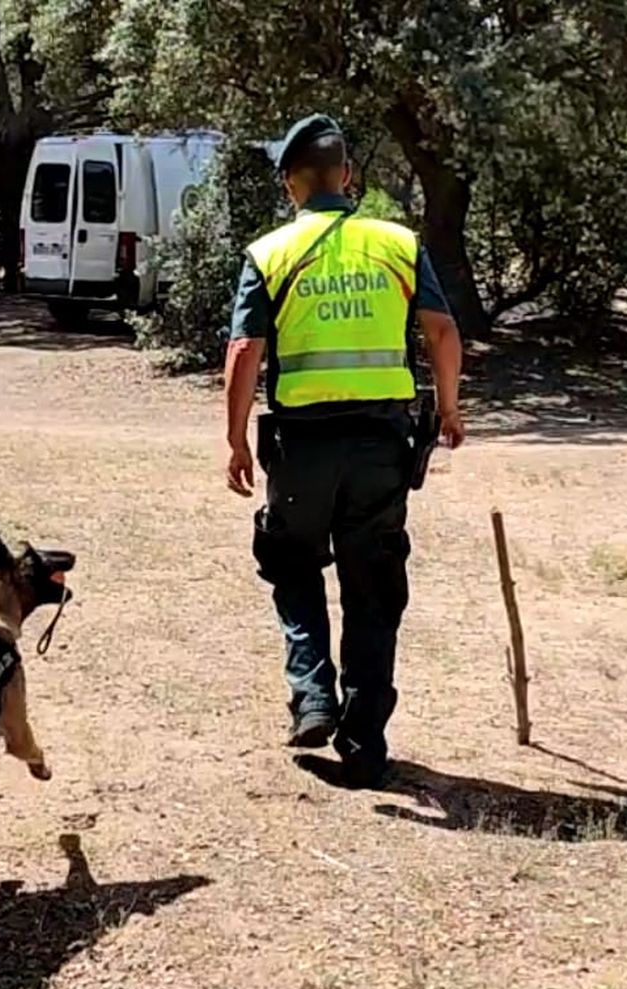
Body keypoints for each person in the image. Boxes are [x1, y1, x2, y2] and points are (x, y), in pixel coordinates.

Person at [223, 113, 466, 788]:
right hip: (382, 449)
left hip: (302, 447)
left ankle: (312, 694)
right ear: (348, 176)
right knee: (373, 590)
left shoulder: (271, 253)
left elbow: (244, 350)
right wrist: (449, 407)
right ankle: (364, 745)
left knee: (291, 560)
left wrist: (235, 438)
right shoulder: (396, 244)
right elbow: (443, 331)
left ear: (289, 185)